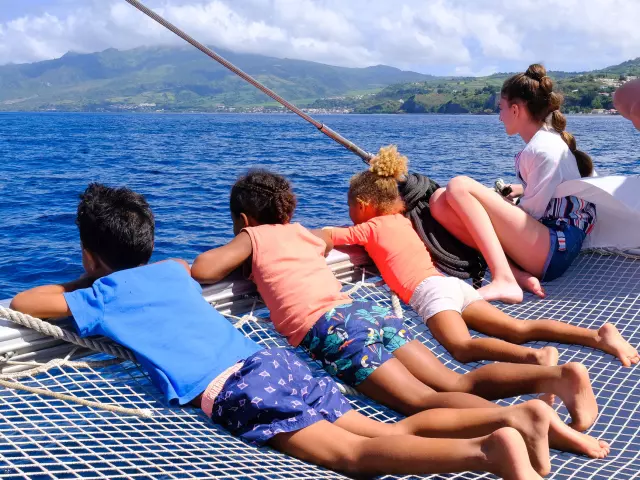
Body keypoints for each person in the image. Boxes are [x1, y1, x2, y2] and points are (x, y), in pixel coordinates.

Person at [8, 183, 563, 480]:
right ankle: (514, 414)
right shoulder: (172, 270)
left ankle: (489, 450)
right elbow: (187, 269)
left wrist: (89, 275)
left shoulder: (98, 296)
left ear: (90, 253)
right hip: (273, 361)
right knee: (385, 428)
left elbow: (25, 301)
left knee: (354, 457)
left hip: (235, 388)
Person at [191, 170, 611, 449]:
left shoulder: (253, 236)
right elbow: (321, 245)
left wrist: (242, 247)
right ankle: (556, 377)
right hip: (362, 313)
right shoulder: (304, 233)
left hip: (332, 330)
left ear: (244, 218)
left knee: (421, 402)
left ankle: (522, 418)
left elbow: (205, 268)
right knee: (453, 381)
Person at [319, 145, 638, 369]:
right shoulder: (405, 221)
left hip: (431, 294)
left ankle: (536, 360)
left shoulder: (371, 228)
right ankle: (597, 335)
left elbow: (329, 236)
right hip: (453, 288)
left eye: (351, 209)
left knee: (463, 348)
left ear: (362, 205)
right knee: (519, 328)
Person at [429, 64, 597, 304]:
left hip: (555, 248)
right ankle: (515, 276)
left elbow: (533, 213)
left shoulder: (543, 149)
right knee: (440, 201)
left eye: (501, 108)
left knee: (459, 186)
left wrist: (498, 203)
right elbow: (545, 197)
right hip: (545, 245)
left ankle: (502, 279)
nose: (499, 116)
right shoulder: (545, 143)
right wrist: (511, 196)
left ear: (516, 109)